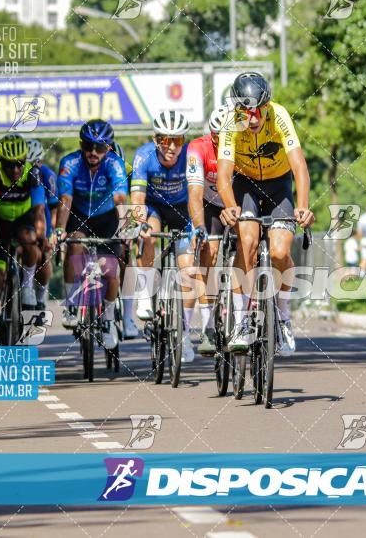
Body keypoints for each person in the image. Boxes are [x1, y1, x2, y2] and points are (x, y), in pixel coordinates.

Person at [216, 72, 315, 356]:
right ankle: (242, 319)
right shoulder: (231, 122)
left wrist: (304, 205)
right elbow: (224, 175)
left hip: (279, 183)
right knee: (246, 241)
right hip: (245, 183)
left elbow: (299, 167)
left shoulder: (279, 115)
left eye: (257, 110)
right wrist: (230, 204)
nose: (253, 118)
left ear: (266, 105)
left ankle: (283, 316)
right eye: (246, 112)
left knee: (280, 253)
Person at [55, 120, 128, 350]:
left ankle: (107, 320)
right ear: (81, 145)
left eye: (100, 148)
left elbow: (120, 199)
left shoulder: (116, 164)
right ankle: (71, 304)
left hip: (107, 218)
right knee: (74, 244)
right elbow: (65, 200)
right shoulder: (70, 163)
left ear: (108, 148)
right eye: (88, 146)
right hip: (79, 215)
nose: (93, 153)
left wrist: (126, 226)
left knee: (111, 270)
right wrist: (59, 229)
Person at [131, 110, 196, 363]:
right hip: (154, 207)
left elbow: (196, 195)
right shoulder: (143, 156)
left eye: (177, 140)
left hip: (183, 210)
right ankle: (146, 295)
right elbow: (137, 199)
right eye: (165, 140)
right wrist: (139, 223)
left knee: (188, 269)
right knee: (146, 236)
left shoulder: (190, 157)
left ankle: (186, 333)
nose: (171, 147)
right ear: (155, 139)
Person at [0, 134, 46, 345]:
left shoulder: (33, 173)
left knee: (30, 239)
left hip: (23, 220)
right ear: (1, 162)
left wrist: (41, 234)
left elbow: (38, 209)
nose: (15, 170)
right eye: (9, 165)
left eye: (19, 164)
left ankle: (26, 288)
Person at [186, 107, 229, 356]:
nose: (220, 141)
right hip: (210, 204)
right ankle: (209, 326)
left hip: (236, 203)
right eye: (216, 136)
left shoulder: (242, 145)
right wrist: (199, 227)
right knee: (208, 254)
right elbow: (194, 193)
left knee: (250, 244)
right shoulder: (197, 148)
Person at [110, 139, 140, 339]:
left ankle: (128, 317)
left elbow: (138, 196)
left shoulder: (127, 169)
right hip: (94, 212)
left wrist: (135, 223)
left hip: (122, 214)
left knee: (127, 257)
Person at [26, 139, 59, 311]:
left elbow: (54, 209)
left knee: (44, 256)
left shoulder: (48, 175)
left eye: (35, 163)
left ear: (41, 161)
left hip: (43, 216)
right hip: (23, 216)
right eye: (28, 163)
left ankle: (40, 298)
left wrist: (51, 233)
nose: (33, 167)